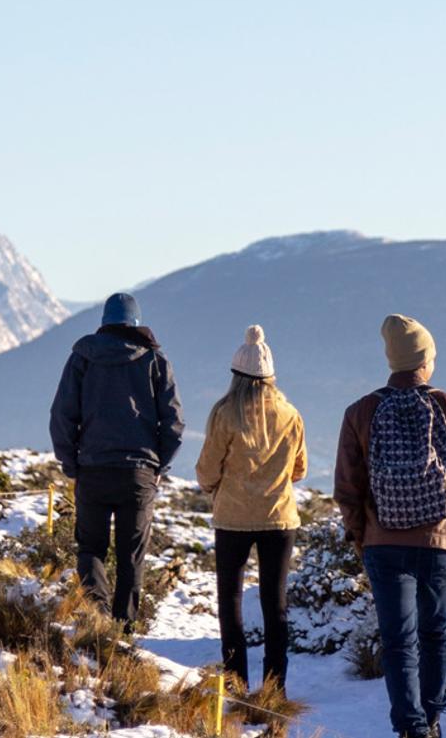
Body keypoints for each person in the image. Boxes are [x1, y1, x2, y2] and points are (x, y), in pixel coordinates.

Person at [335, 314, 446, 738]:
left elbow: (347, 486)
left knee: (398, 639)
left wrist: (362, 535)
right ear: (426, 360)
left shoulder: (361, 411)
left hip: (382, 542)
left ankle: (410, 728)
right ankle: (433, 718)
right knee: (436, 632)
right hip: (440, 540)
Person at [49, 292, 185, 627]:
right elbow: (174, 423)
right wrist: (158, 467)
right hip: (138, 473)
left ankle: (95, 623)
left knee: (91, 549)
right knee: (131, 555)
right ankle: (124, 629)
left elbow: (62, 415)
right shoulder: (155, 361)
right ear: (137, 322)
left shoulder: (82, 358)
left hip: (92, 469)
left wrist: (72, 465)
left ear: (104, 322)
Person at [196, 325, 308, 693]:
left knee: (231, 603)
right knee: (275, 605)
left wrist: (214, 486)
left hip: (232, 518)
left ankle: (236, 683)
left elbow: (208, 468)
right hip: (279, 518)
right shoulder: (290, 414)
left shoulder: (225, 413)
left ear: (236, 375)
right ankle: (275, 688)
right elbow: (300, 469)